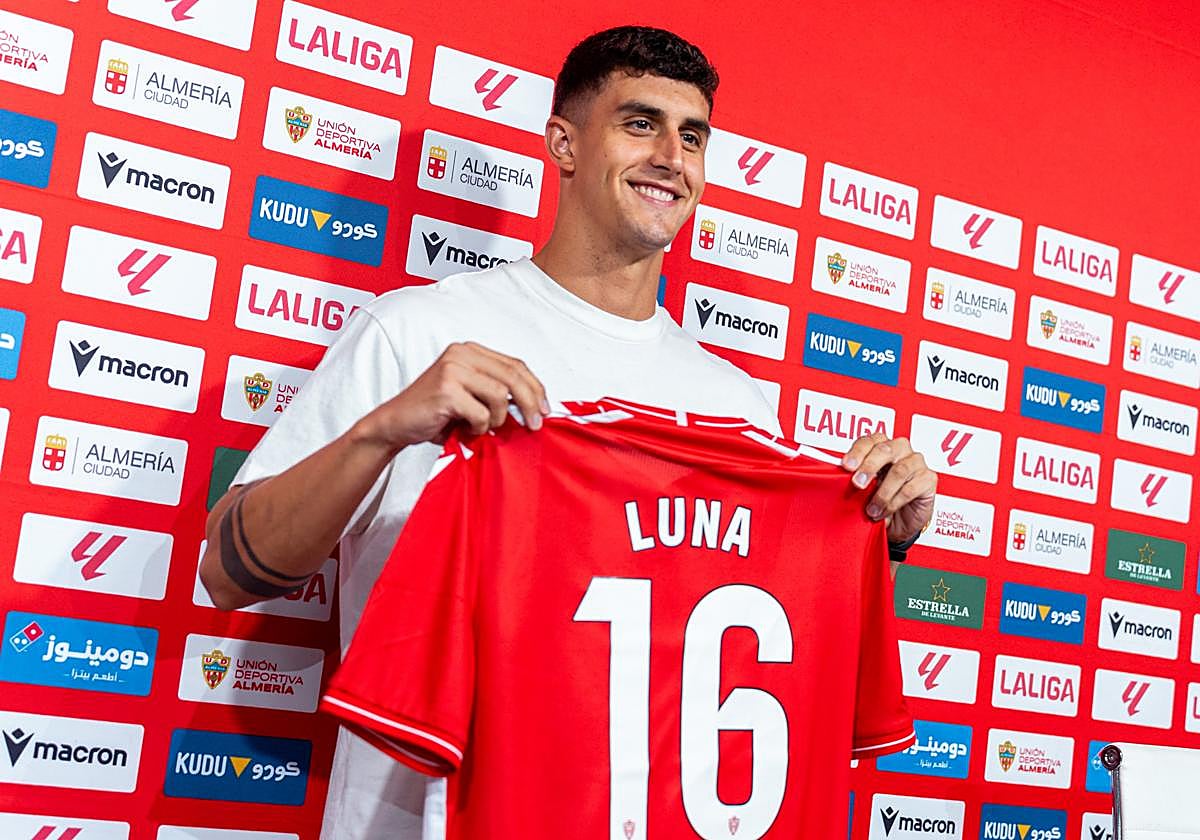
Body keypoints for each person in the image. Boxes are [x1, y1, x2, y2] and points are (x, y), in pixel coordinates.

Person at [200, 25, 938, 840]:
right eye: (639, 122)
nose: (671, 157)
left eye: (692, 137)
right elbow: (230, 572)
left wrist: (871, 529)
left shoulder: (741, 407)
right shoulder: (417, 333)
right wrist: (382, 430)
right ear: (563, 142)